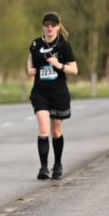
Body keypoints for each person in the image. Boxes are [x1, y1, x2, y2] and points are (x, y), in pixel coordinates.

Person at [27, 12, 79, 180]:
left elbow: (74, 70)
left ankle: (57, 164)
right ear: (43, 26)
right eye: (47, 24)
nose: (49, 27)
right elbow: (29, 63)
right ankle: (43, 168)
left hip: (58, 92)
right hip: (40, 92)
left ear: (58, 26)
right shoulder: (35, 44)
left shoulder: (64, 46)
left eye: (53, 24)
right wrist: (30, 70)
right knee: (43, 128)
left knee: (56, 131)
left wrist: (59, 65)